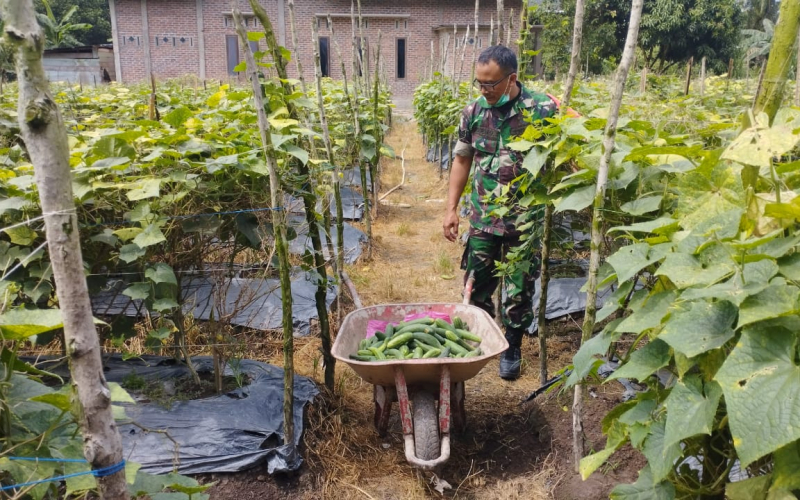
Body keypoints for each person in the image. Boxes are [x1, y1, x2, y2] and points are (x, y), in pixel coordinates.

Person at [443, 45, 557, 380]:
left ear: (512, 79)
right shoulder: (474, 112)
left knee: (519, 287)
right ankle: (481, 337)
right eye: (479, 83)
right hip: (483, 215)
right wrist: (451, 208)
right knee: (476, 283)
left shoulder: (542, 109)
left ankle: (512, 344)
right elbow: (462, 159)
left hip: (525, 218)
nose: (484, 90)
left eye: (491, 84)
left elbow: (567, 152)